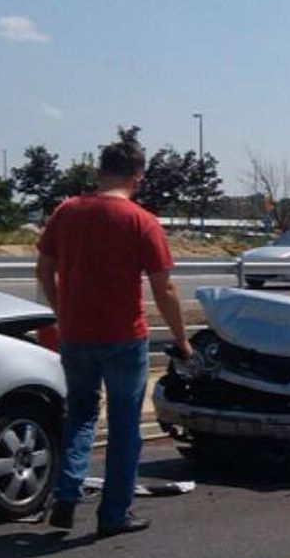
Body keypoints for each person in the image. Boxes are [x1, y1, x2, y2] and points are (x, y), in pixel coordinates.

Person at [35, 138, 194, 537]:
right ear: (137, 177)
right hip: (124, 337)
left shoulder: (66, 212)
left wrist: (63, 313)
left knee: (81, 416)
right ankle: (114, 514)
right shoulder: (141, 221)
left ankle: (67, 492)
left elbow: (42, 272)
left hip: (76, 335)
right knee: (124, 427)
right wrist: (182, 339)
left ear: (100, 171)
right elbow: (164, 289)